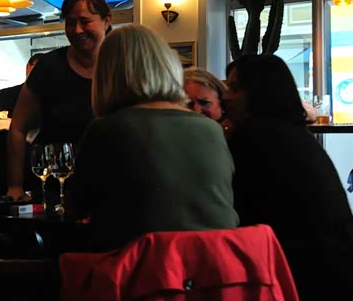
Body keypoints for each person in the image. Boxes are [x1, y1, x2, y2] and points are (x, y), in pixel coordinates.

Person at [223, 54, 353, 301]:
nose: (227, 97)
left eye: (234, 88)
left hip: (307, 285)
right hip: (342, 278)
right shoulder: (295, 134)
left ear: (259, 92)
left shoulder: (254, 138)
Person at [68, 24, 239, 252]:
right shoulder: (212, 129)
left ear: (107, 76)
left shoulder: (105, 130)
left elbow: (77, 208)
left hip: (144, 267)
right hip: (215, 264)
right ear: (166, 66)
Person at [5, 0, 112, 202]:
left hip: (110, 186)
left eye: (85, 21)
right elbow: (18, 128)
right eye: (70, 22)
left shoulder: (122, 65)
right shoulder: (49, 67)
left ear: (107, 21)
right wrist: (15, 186)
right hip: (56, 187)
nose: (77, 30)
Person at [0, 53, 44, 117]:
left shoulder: (54, 98)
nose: (39, 72)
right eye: (37, 67)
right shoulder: (6, 96)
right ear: (28, 67)